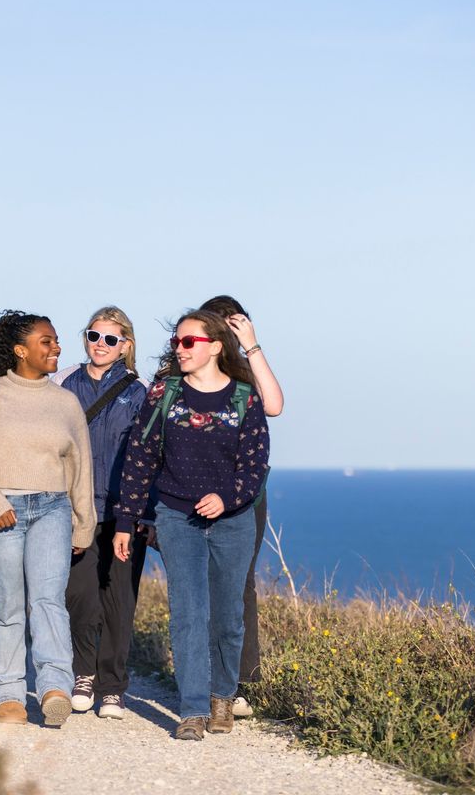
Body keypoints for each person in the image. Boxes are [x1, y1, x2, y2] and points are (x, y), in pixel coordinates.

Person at [114, 309, 270, 740]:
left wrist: (228, 497)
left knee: (227, 615)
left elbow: (256, 464)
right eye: (176, 343)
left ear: (215, 347)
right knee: (187, 614)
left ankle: (223, 697)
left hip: (234, 521)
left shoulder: (244, 397)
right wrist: (126, 520)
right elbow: (140, 458)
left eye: (188, 342)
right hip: (176, 517)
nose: (179, 349)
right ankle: (193, 710)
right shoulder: (165, 393)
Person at [0, 311, 95, 727]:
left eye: (56, 340)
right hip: (1, 513)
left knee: (48, 602)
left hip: (53, 508)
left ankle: (54, 689)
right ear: (20, 350)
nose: (56, 348)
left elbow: (80, 466)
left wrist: (83, 522)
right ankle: (9, 694)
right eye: (46, 341)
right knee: (9, 605)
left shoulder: (65, 402)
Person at [52, 307, 150, 719]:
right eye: (93, 336)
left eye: (110, 339)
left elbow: (147, 451)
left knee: (119, 599)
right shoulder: (64, 383)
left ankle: (112, 686)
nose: (100, 345)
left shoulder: (139, 390)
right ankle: (83, 674)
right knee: (80, 596)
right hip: (75, 507)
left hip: (125, 509)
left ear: (125, 345)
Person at [200, 295, 284, 718]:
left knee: (240, 584)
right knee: (200, 584)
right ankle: (205, 682)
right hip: (193, 492)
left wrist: (252, 344)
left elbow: (274, 405)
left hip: (246, 492)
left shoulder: (246, 374)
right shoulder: (183, 368)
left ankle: (240, 684)